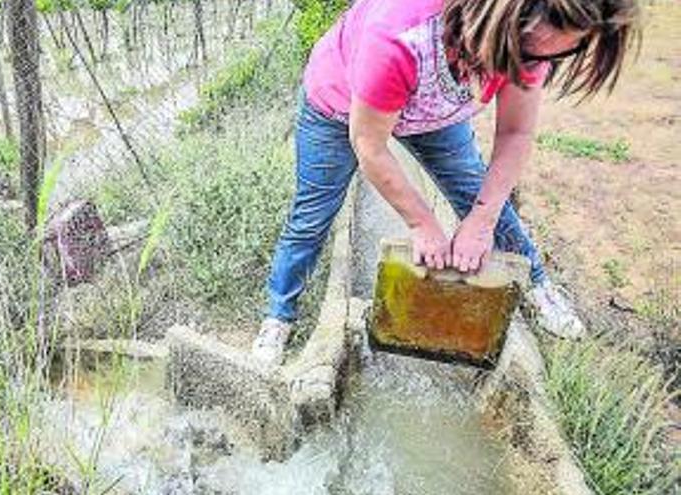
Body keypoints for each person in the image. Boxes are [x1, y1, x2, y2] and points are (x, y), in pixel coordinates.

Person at [252, 0, 641, 365]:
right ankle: (278, 317)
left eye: (557, 56)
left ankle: (539, 287)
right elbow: (369, 144)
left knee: (482, 198)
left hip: (436, 110)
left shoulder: (533, 38)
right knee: (311, 218)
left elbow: (516, 134)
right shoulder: (400, 34)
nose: (539, 66)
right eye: (533, 53)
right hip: (338, 108)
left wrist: (480, 222)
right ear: (506, 21)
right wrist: (423, 224)